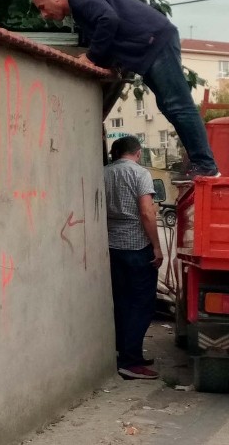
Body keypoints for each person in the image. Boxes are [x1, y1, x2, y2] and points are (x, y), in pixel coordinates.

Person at [31, 0, 219, 177]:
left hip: (155, 42)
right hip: (150, 46)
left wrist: (92, 57)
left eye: (42, 7)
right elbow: (113, 30)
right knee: (169, 107)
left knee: (178, 104)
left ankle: (205, 165)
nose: (43, 15)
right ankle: (200, 164)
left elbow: (108, 19)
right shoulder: (82, 3)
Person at [104, 135, 164, 380]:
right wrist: (157, 247)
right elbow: (146, 212)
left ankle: (126, 354)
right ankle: (131, 361)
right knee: (142, 304)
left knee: (121, 302)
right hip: (137, 248)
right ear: (137, 153)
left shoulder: (103, 173)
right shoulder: (140, 174)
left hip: (110, 245)